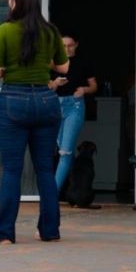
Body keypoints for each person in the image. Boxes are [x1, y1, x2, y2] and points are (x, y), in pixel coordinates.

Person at [0, 0, 69, 244]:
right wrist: (44, 64)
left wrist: (9, 69)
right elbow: (63, 68)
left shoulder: (5, 30)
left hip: (14, 100)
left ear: (14, 1)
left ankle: (4, 233)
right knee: (45, 169)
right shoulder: (50, 31)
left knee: (12, 170)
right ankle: (49, 230)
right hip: (46, 101)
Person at [50, 32, 97, 193]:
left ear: (76, 45)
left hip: (74, 106)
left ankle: (52, 193)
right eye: (63, 46)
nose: (67, 49)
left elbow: (94, 86)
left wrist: (84, 90)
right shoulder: (53, 63)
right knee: (64, 151)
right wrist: (55, 83)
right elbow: (45, 87)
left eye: (70, 45)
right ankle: (75, 188)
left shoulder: (84, 62)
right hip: (55, 106)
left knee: (65, 152)